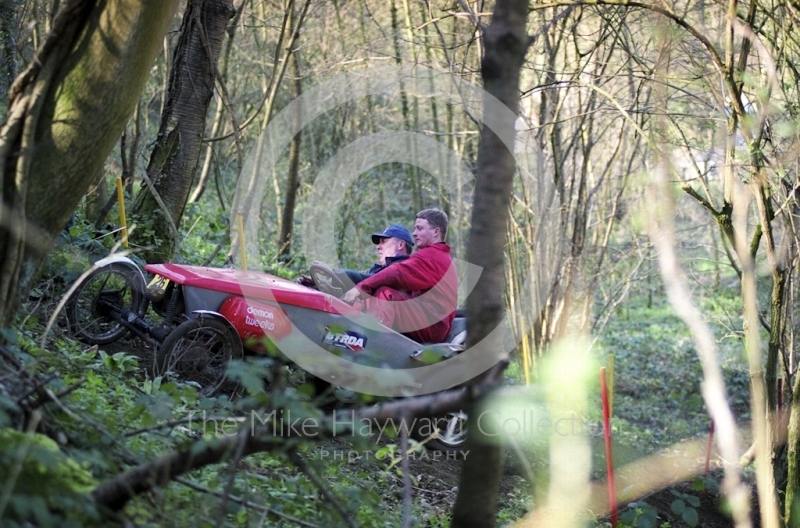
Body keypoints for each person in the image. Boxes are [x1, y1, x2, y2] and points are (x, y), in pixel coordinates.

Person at [343, 208, 457, 344]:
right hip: (429, 318)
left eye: (420, 229)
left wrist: (360, 288)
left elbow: (398, 272)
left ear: (436, 232)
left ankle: (372, 343)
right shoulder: (437, 256)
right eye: (415, 229)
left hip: (433, 323)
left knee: (385, 294)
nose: (414, 233)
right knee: (383, 292)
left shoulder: (432, 256)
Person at [296, 224, 413, 287]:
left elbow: (368, 280)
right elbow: (359, 279)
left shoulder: (401, 270)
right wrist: (320, 284)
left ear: (400, 245)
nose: (378, 246)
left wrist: (332, 272)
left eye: (384, 241)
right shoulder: (380, 269)